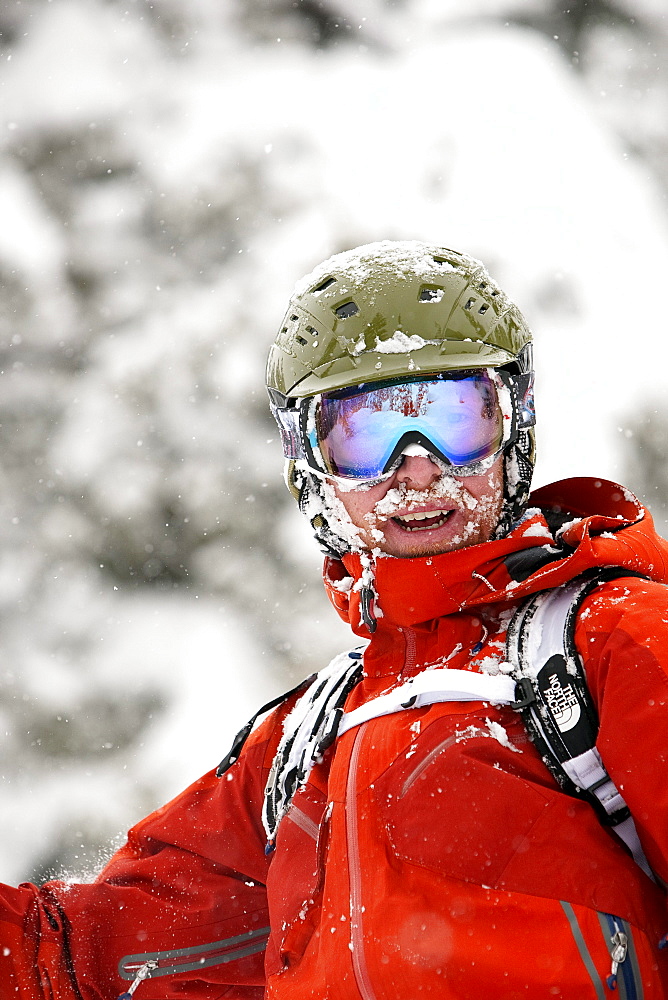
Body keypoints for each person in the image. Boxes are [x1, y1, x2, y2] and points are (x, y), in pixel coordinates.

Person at [1, 240, 668, 999]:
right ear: (308, 464)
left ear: (512, 429)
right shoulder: (305, 745)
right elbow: (82, 955)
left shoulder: (614, 643)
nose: (417, 469)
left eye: (453, 421)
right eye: (366, 436)